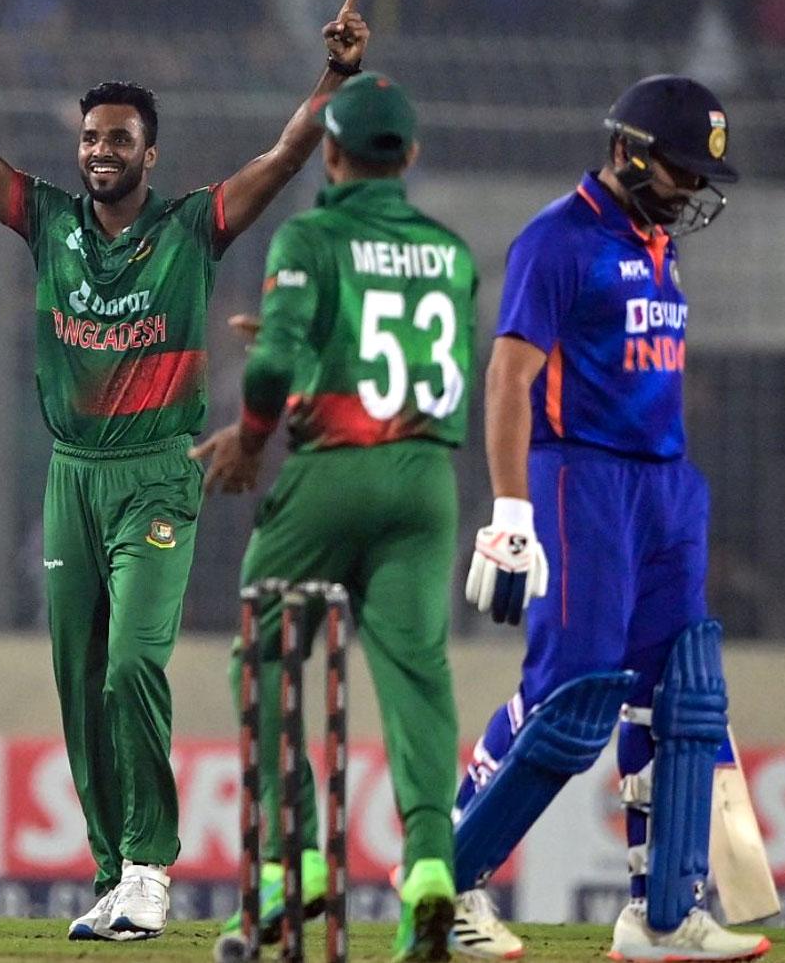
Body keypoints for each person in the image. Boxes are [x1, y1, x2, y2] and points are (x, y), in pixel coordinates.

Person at [0, 0, 370, 943]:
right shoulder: (49, 220)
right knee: (77, 678)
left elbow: (282, 159)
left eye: (119, 140)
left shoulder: (194, 227)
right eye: (91, 137)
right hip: (71, 477)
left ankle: (154, 864)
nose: (100, 151)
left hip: (156, 471)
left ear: (151, 156)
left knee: (130, 667)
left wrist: (335, 79)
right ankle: (114, 871)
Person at [454, 75, 771, 962]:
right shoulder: (556, 240)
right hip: (578, 477)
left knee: (685, 690)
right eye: (679, 170)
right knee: (572, 693)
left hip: (665, 485)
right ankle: (446, 885)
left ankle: (663, 916)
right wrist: (510, 507)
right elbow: (509, 378)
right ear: (630, 151)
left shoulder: (657, 243)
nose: (693, 190)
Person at [192, 72, 480, 961]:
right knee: (418, 673)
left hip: (331, 480)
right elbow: (403, 357)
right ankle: (432, 868)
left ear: (331, 153)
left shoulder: (309, 235)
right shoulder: (451, 250)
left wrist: (247, 436)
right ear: (412, 158)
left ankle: (293, 866)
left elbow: (276, 362)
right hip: (428, 481)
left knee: (268, 652)